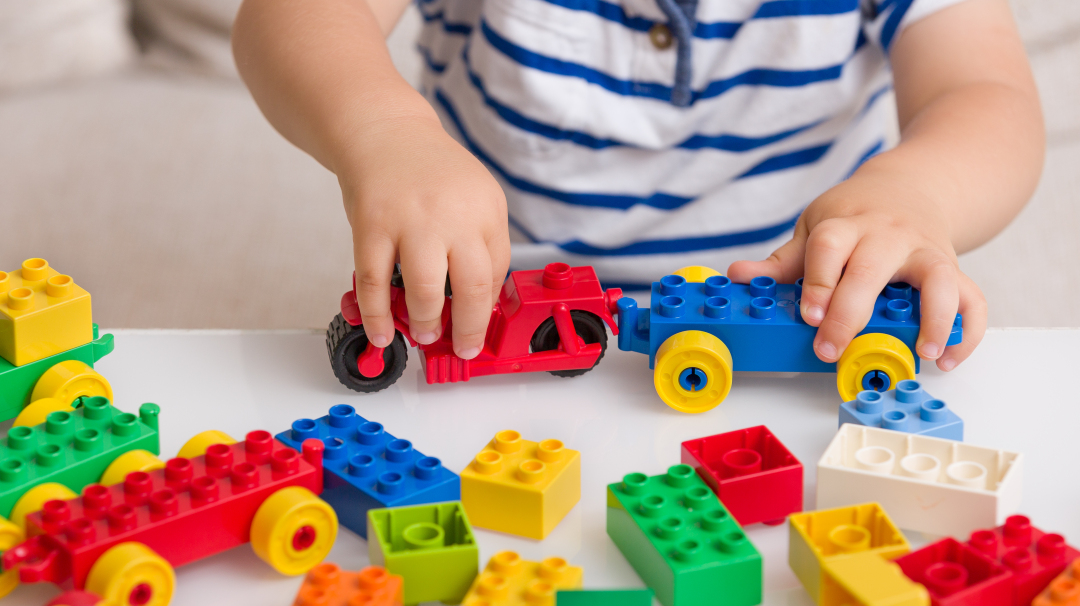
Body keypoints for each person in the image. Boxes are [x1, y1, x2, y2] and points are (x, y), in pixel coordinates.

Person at [232, 0, 1041, 372]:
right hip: (496, 300)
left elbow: (983, 93)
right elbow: (288, 16)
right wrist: (386, 132)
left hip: (804, 312)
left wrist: (918, 193)